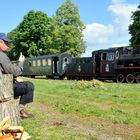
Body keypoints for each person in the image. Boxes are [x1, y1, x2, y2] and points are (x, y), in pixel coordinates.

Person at [0, 33, 34, 119]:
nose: (8, 45)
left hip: (2, 85)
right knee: (29, 86)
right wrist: (20, 62)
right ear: (0, 42)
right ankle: (20, 111)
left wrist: (14, 80)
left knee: (19, 83)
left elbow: (5, 72)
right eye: (6, 42)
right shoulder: (1, 56)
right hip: (2, 88)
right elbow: (15, 72)